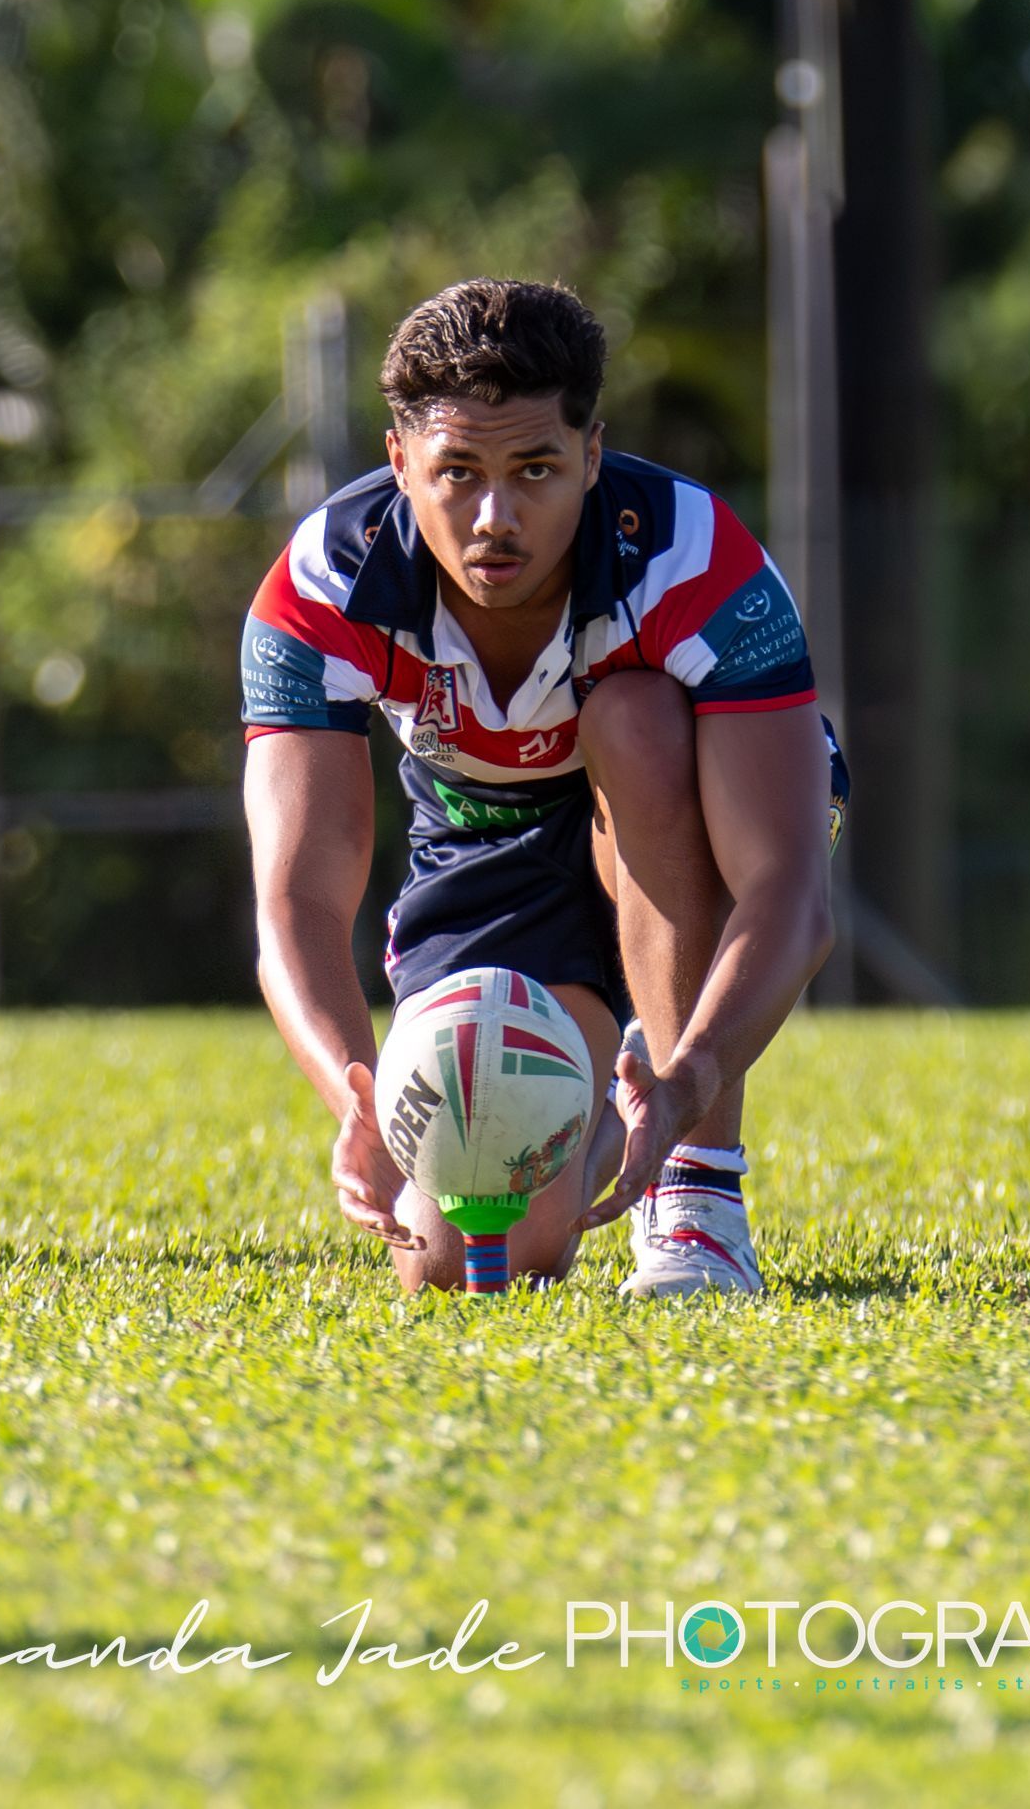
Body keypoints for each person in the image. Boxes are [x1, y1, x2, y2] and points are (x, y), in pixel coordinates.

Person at [241, 278, 848, 1297]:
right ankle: (607, 1122)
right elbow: (296, 899)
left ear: (591, 455)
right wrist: (357, 1093)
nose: (494, 517)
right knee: (457, 1257)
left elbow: (786, 888)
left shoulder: (693, 557)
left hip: (668, 811)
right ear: (399, 464)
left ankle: (697, 1201)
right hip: (483, 840)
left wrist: (691, 1079)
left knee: (636, 716)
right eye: (457, 473)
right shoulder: (322, 587)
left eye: (534, 470)